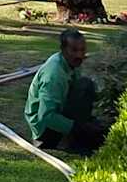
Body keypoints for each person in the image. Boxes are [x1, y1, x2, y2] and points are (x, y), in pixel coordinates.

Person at [25, 27, 107, 155]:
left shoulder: (71, 64)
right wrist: (78, 128)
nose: (79, 55)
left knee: (86, 86)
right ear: (63, 50)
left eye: (82, 50)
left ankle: (76, 136)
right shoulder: (54, 75)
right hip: (44, 132)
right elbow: (46, 117)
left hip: (59, 116)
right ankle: (70, 142)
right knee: (84, 87)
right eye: (74, 50)